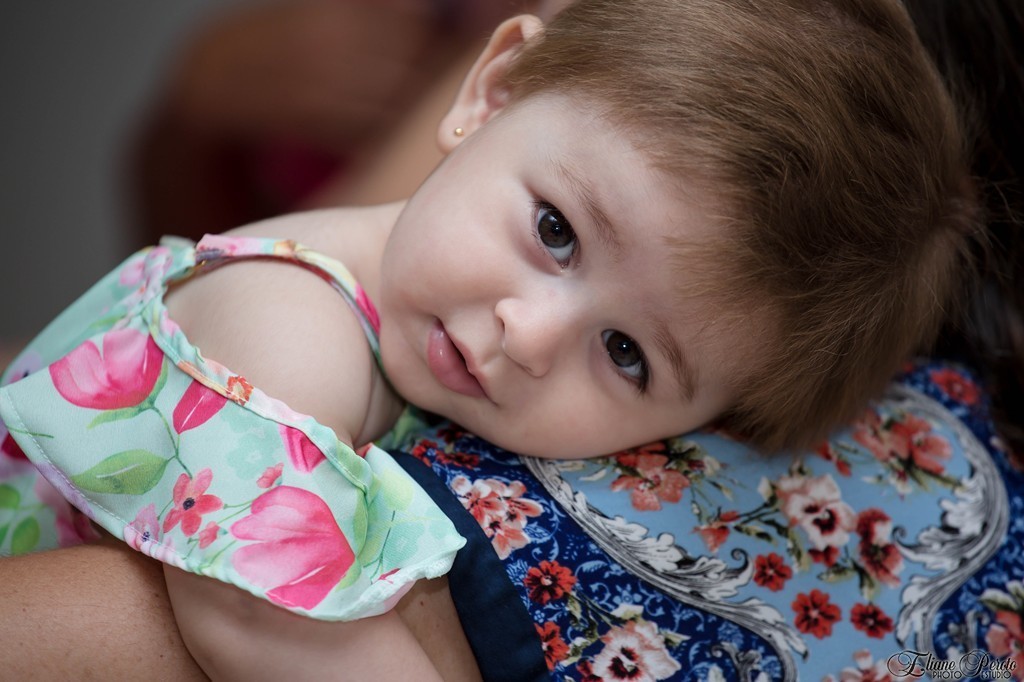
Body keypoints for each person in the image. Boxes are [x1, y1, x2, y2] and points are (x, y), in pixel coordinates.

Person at [0, 0, 1001, 679]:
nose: (529, 334)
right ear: (491, 91)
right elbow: (261, 616)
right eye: (555, 231)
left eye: (627, 355)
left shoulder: (427, 332)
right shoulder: (284, 316)